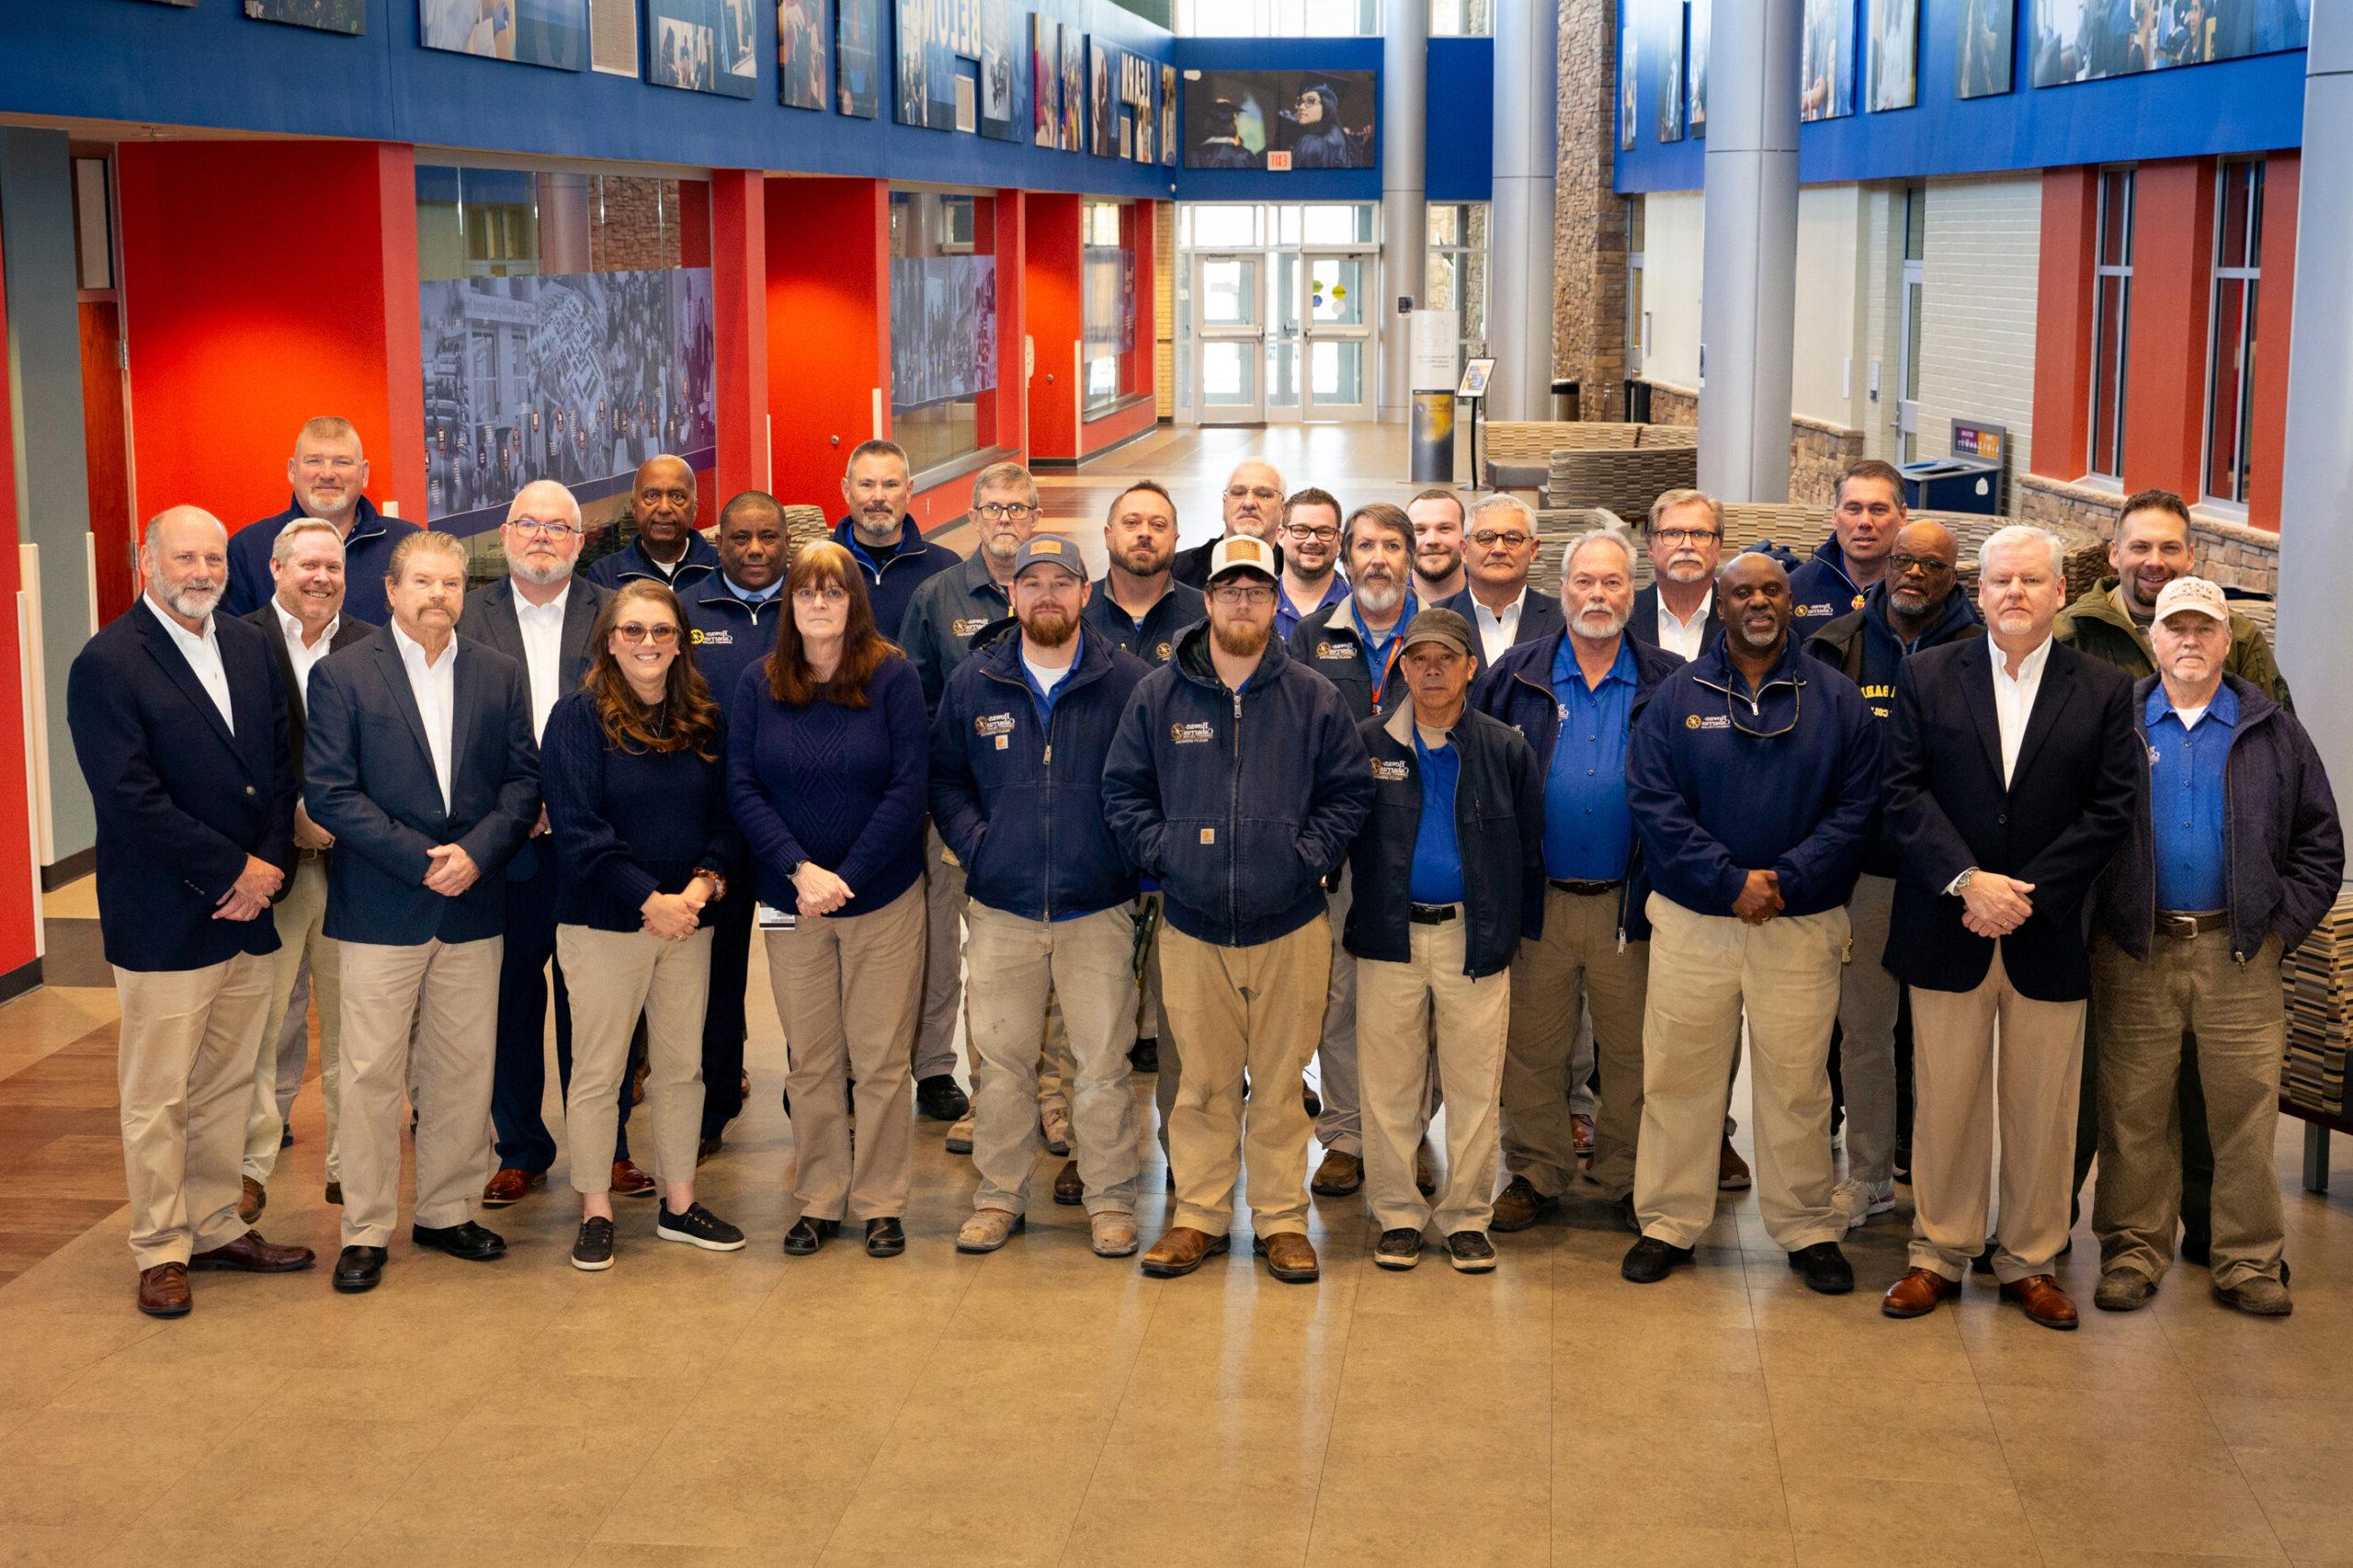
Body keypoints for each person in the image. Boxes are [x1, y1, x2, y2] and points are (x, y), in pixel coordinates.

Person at [1879, 526, 2138, 1329]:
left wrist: (2025, 893)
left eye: (2032, 580)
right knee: (1946, 1100)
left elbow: (2112, 808)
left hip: (2046, 929)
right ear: (1979, 592)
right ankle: (1938, 1254)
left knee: (2043, 1109)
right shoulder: (1925, 677)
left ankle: (2030, 1259)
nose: (2016, 593)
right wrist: (1967, 882)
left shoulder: (2102, 688)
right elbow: (1901, 792)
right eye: (2001, 581)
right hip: (1947, 923)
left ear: (2061, 592)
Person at [66, 506, 315, 1317]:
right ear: (147, 561)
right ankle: (161, 1246)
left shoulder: (247, 643)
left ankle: (213, 1226)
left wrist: (269, 865)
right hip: (165, 913)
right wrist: (233, 870)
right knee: (159, 1094)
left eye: (213, 557)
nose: (203, 571)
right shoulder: (108, 662)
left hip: (250, 906)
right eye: (185, 557)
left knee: (225, 1084)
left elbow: (280, 767)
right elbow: (130, 800)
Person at [1105, 535, 1372, 1283]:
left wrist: (1306, 856)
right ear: (1210, 599)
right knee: (1203, 1085)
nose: (1244, 602)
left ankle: (1283, 1221)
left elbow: (1348, 791)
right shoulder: (1159, 695)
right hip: (1192, 926)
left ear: (1271, 599)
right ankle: (1199, 1217)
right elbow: (1123, 791)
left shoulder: (1312, 696)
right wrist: (1168, 854)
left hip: (1289, 924)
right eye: (1231, 589)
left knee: (1282, 1086)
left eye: (1258, 590)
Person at [1620, 551, 1879, 1295]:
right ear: (1719, 604)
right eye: (1742, 593)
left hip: (1801, 925)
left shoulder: (1835, 700)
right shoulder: (1677, 697)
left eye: (1772, 590)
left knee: (1798, 1084)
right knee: (1679, 1078)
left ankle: (1805, 1228)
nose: (1758, 602)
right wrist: (1727, 880)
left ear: (1790, 603)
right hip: (1694, 921)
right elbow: (1653, 802)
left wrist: (1785, 880)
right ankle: (1669, 1220)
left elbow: (1857, 810)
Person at [2053, 486, 2294, 1271]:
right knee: (2114, 1093)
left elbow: (2283, 774)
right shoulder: (2076, 639)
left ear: (2192, 558)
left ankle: (2226, 1241)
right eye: (2141, 546)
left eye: (2171, 548)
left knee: (2222, 1097)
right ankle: (2093, 1236)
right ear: (2113, 553)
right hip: (2119, 928)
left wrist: (2277, 917)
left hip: (2228, 934)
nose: (2155, 560)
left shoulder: (2246, 646)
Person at [2088, 578, 2341, 1317]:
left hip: (2241, 954)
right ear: (2155, 641)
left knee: (2246, 1115)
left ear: (2229, 642)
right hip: (2137, 953)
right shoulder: (2120, 723)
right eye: (2177, 629)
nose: (2191, 641)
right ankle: (2133, 1252)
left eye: (2205, 628)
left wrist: (2278, 929)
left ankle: (2249, 1261)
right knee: (2134, 1114)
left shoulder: (2272, 730)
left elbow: (2320, 845)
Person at [304, 529, 540, 1294]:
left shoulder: (499, 675)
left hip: (475, 902)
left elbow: (521, 783)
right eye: (424, 583)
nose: (439, 596)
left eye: (451, 584)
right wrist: (421, 860)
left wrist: (476, 853)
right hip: (381, 905)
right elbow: (331, 794)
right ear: (393, 592)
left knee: (463, 1074)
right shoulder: (343, 677)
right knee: (371, 1075)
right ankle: (366, 1228)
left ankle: (446, 1212)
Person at [933, 536, 1152, 1257]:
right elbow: (946, 780)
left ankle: (1110, 1198)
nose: (1048, 594)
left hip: (1099, 907)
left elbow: (1151, 784)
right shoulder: (975, 683)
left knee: (1102, 1067)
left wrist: (1120, 853)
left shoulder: (1128, 682)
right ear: (1012, 596)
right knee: (1001, 1067)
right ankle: (999, 1197)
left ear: (1087, 594)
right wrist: (981, 847)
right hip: (1003, 907)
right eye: (1034, 583)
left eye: (1063, 581)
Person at [731, 542, 930, 1259]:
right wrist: (799, 869)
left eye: (834, 592)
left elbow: (910, 786)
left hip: (881, 898)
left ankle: (879, 1201)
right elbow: (743, 787)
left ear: (854, 601)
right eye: (806, 592)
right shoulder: (760, 682)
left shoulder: (891, 676)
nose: (819, 604)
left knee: (879, 1060)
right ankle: (819, 1197)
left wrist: (846, 873)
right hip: (792, 903)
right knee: (812, 1061)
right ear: (789, 603)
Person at [1483, 528, 1683, 1234]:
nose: (1598, 595)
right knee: (1532, 1050)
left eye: (1613, 583)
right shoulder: (1515, 673)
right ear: (1561, 590)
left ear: (1635, 591)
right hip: (1540, 900)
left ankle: (1629, 1177)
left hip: (1631, 905)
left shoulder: (1667, 680)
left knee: (1633, 1056)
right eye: (1584, 582)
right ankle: (1536, 1172)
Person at [544, 581, 746, 1272]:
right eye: (633, 631)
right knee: (599, 1071)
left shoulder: (704, 717)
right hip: (605, 922)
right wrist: (648, 900)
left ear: (681, 640)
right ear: (608, 639)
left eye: (663, 631)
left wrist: (697, 889)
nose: (649, 644)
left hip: (688, 921)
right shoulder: (577, 717)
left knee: (684, 1069)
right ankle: (595, 1208)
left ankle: (680, 1202)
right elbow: (577, 830)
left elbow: (728, 818)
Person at [1346, 608, 1542, 1273]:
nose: (1431, 669)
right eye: (1418, 658)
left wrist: (1513, 934)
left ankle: (1466, 1218)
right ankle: (1398, 1215)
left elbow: (1528, 848)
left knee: (1474, 1089)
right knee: (1388, 1089)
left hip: (1473, 937)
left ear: (1469, 668)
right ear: (1402, 668)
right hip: (1388, 938)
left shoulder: (1504, 747)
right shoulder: (1368, 743)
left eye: (1445, 658)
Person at [1802, 519, 1984, 1229]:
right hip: (1867, 876)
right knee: (1866, 1033)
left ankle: (1943, 1177)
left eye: (1929, 566)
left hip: (1952, 878)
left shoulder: (1978, 648)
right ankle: (1871, 1174)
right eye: (1903, 561)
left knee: (1946, 1039)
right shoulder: (1838, 644)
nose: (1912, 574)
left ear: (1952, 577)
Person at [465, 483, 630, 1209]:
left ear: (580, 539)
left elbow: (634, 717)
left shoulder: (615, 616)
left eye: (557, 527)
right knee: (512, 997)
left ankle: (612, 1146)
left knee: (600, 1000)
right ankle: (521, 1146)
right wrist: (518, 808)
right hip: (508, 846)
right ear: (504, 535)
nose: (541, 537)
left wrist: (567, 804)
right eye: (528, 524)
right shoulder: (468, 616)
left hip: (594, 843)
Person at [899, 462, 1048, 1131]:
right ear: (973, 515)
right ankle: (937, 1068)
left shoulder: (1060, 589)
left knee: (1023, 953)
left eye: (1019, 508)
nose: (1006, 519)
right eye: (994, 508)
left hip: (1034, 810)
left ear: (1036, 517)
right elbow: (913, 705)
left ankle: (1036, 1087)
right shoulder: (938, 597)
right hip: (954, 807)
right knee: (940, 946)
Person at [238, 518, 369, 1221]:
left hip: (355, 871)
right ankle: (252, 1164)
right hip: (274, 867)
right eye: (308, 565)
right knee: (263, 1026)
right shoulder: (237, 642)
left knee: (359, 1027)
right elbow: (229, 755)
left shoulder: (373, 647)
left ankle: (353, 1167)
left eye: (334, 567)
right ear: (277, 568)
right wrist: (287, 814)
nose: (321, 578)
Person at [1290, 502, 1419, 1197]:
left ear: (1410, 557)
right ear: (1345, 556)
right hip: (1337, 856)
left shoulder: (1438, 636)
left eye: (1391, 546)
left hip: (1417, 848)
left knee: (1411, 1005)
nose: (1377, 559)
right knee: (1339, 1002)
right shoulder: (1311, 638)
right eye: (1365, 545)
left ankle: (1406, 1134)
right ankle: (1344, 1133)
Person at [1079, 481, 1202, 1090]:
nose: (1144, 533)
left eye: (1158, 523)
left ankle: (1185, 1158)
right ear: (1106, 536)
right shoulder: (1072, 616)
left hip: (1179, 848)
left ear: (1177, 540)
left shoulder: (1204, 618)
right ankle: (1083, 1147)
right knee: (1091, 1021)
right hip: (1090, 849)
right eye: (1131, 522)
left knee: (1185, 1022)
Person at [685, 490, 794, 1154]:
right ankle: (713, 1107)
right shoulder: (687, 611)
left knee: (803, 976)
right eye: (741, 537)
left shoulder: (812, 604)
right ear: (718, 541)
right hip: (713, 832)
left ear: (788, 540)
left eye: (768, 536)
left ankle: (812, 1102)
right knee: (716, 979)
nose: (755, 550)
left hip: (792, 833)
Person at [225, 417, 419, 625]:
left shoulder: (410, 545)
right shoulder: (247, 550)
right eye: (314, 461)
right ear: (292, 470)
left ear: (364, 474)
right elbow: (234, 643)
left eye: (342, 462)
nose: (327, 474)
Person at [833, 438, 956, 640]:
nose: (879, 496)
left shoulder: (946, 569)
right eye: (866, 484)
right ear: (846, 490)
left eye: (890, 485)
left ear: (908, 491)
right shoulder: (816, 569)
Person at [1438, 493, 1565, 665]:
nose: (1499, 549)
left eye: (1513, 539)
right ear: (1464, 550)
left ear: (1533, 550)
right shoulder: (1434, 619)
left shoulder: (1564, 621)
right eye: (1486, 538)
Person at [1789, 459, 1903, 631]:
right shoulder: (1796, 588)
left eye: (1878, 509)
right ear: (1835, 517)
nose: (1865, 522)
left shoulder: (1917, 589)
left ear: (1902, 516)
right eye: (1853, 509)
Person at [585, 454, 722, 592]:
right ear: (634, 507)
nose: (664, 508)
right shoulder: (605, 576)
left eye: (677, 496)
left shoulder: (724, 568)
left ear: (695, 509)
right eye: (652, 496)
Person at [1628, 489, 1725, 658]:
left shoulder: (1741, 618)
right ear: (1650, 547)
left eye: (1700, 534)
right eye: (1673, 533)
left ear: (1719, 548)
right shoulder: (1623, 615)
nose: (1687, 545)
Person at [1171, 460, 1286, 588]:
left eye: (1263, 495)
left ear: (1283, 509)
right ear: (1224, 505)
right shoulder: (1178, 571)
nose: (1248, 503)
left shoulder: (1299, 572)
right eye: (1238, 493)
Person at [1274, 486, 1349, 641]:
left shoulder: (1357, 609)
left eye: (1324, 532)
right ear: (1281, 536)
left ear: (1339, 540)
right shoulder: (1259, 605)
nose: (1312, 541)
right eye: (1301, 530)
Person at [1406, 488, 1470, 606]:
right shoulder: (1383, 605)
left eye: (1444, 529)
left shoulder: (1492, 594)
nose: (1432, 540)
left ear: (1465, 537)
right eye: (1419, 530)